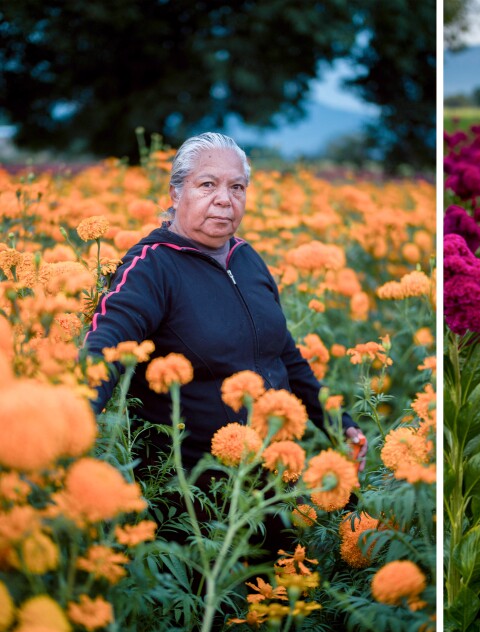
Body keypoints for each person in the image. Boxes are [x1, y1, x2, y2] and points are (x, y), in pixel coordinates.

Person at [85, 132, 366, 473]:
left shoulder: (246, 257)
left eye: (237, 187)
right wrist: (73, 425)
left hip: (272, 479)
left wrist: (339, 424)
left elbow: (284, 355)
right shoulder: (151, 267)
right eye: (207, 184)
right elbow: (104, 349)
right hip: (195, 490)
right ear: (176, 192)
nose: (224, 199)